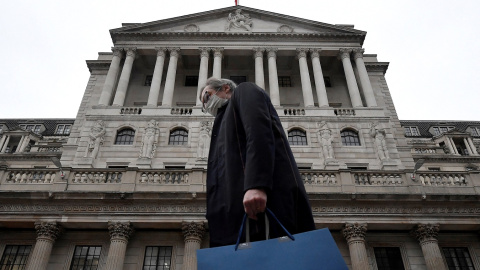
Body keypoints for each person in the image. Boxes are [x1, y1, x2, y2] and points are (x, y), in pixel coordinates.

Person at [199, 77, 315, 247]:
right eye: (203, 104)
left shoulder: (244, 91)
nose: (206, 105)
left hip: (260, 206)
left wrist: (257, 184)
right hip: (236, 215)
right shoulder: (222, 122)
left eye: (207, 96)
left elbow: (258, 133)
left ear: (225, 88)